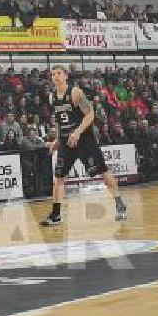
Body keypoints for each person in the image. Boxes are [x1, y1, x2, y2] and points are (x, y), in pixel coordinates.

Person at [40, 66, 128, 226]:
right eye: (53, 74)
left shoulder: (75, 92)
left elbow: (90, 114)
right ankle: (56, 214)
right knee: (59, 178)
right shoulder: (52, 97)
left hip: (84, 140)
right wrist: (57, 141)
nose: (56, 76)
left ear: (66, 76)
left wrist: (78, 131)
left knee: (102, 171)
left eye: (59, 73)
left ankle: (119, 203)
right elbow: (60, 121)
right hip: (67, 142)